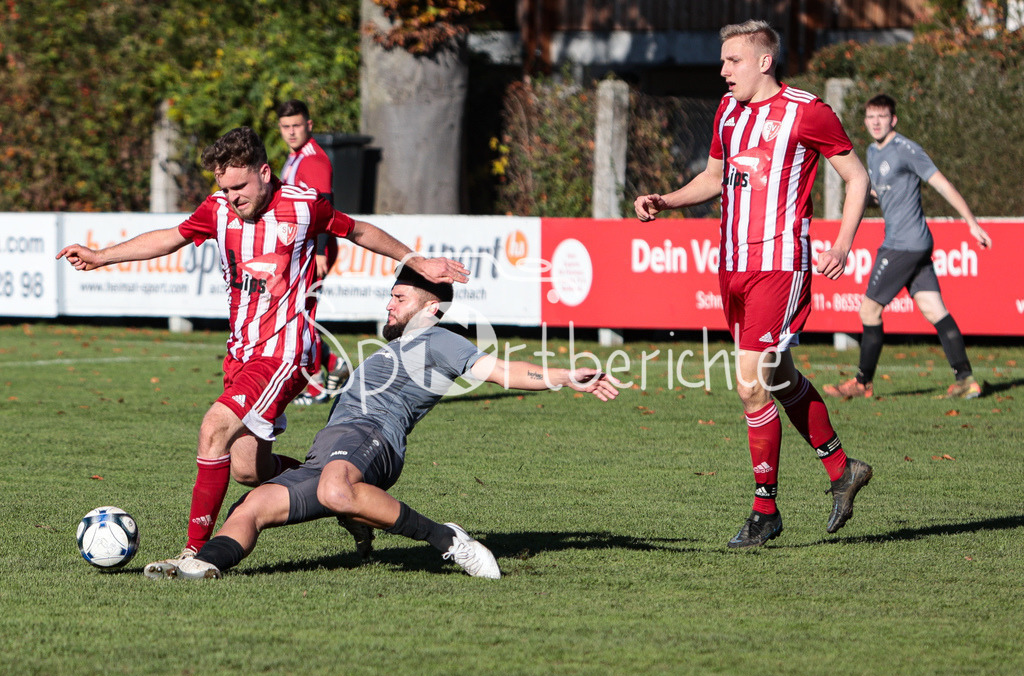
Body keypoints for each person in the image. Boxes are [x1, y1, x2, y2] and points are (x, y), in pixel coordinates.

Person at [57, 126, 469, 566]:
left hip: (286, 351)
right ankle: (348, 497)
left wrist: (415, 260)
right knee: (248, 469)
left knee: (213, 428)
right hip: (241, 355)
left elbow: (359, 231)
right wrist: (102, 256)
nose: (232, 197)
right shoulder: (217, 210)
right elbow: (171, 236)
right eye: (224, 188)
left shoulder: (303, 205)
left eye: (239, 186)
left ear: (265, 173)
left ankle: (193, 552)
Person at [142, 267, 619, 580]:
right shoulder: (388, 349)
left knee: (334, 489)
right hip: (328, 451)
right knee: (251, 505)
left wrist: (562, 377)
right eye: (389, 296)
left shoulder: (441, 340)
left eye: (400, 297)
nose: (389, 304)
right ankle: (201, 564)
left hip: (374, 439)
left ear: (431, 307)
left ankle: (449, 539)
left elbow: (500, 371)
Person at [633, 20, 873, 548]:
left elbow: (857, 176)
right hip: (733, 266)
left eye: (732, 61)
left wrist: (842, 243)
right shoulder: (727, 111)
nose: (722, 71)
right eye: (722, 61)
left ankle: (765, 512)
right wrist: (666, 201)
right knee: (779, 376)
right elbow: (715, 178)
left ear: (764, 62)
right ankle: (842, 469)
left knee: (748, 383)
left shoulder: (807, 111)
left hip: (779, 266)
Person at [824, 93, 992, 401]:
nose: (876, 122)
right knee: (934, 308)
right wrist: (861, 197)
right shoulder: (873, 153)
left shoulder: (906, 149)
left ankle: (862, 382)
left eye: (882, 117)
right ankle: (966, 379)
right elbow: (881, 196)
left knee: (869, 309)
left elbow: (942, 184)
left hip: (903, 244)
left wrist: (971, 222)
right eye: (870, 117)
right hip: (915, 244)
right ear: (865, 120)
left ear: (893, 119)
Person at [276, 98, 347, 404]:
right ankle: (332, 364)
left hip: (313, 250)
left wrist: (319, 251)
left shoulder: (313, 160)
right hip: (300, 250)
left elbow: (325, 209)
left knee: (301, 315)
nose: (291, 132)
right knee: (296, 312)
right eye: (285, 126)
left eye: (296, 125)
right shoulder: (294, 157)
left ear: (309, 125)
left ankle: (316, 385)